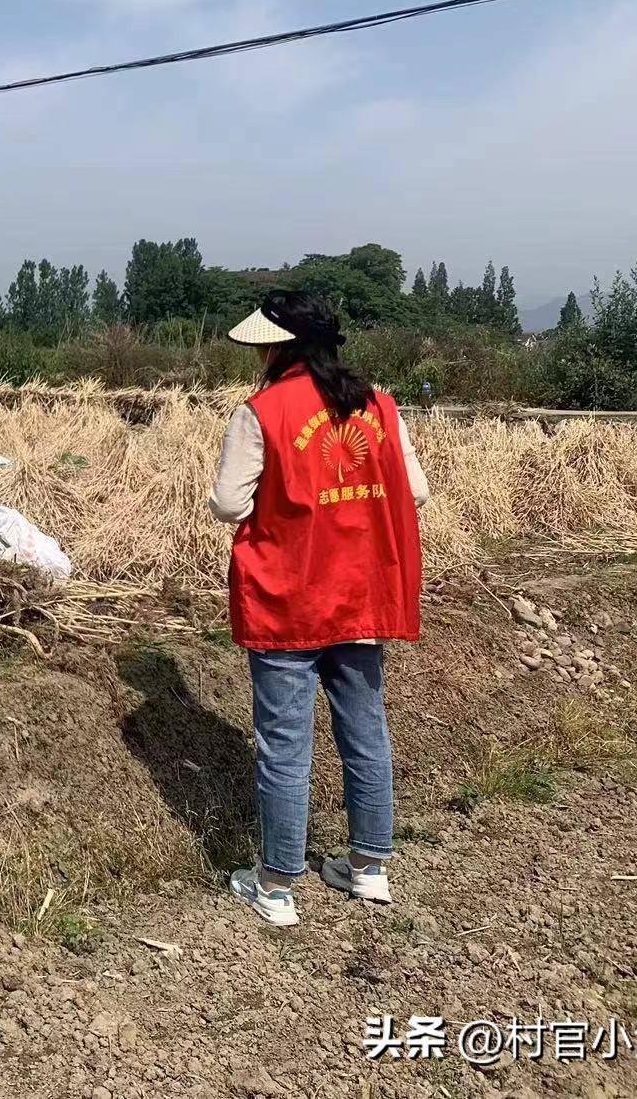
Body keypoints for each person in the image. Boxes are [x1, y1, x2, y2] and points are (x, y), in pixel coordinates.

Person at [210, 290, 429, 927]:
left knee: (284, 744)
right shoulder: (379, 407)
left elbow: (227, 504)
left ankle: (276, 884)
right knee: (365, 729)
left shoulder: (263, 412)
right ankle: (369, 869)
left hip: (289, 596)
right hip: (360, 591)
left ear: (283, 346)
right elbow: (415, 491)